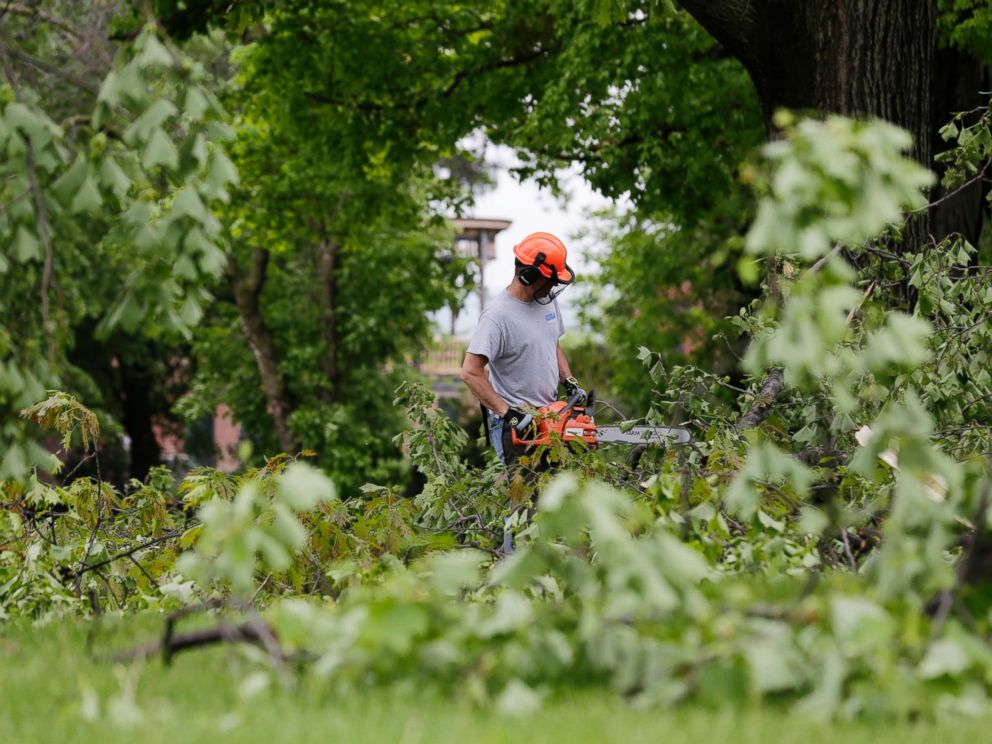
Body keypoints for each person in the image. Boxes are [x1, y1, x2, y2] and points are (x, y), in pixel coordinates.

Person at [460, 231, 587, 468]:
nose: (553, 286)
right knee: (527, 503)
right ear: (528, 276)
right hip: (517, 426)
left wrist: (568, 380)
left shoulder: (547, 300)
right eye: (550, 280)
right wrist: (510, 414)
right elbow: (470, 372)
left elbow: (553, 343)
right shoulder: (497, 317)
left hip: (550, 415)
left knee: (555, 500)